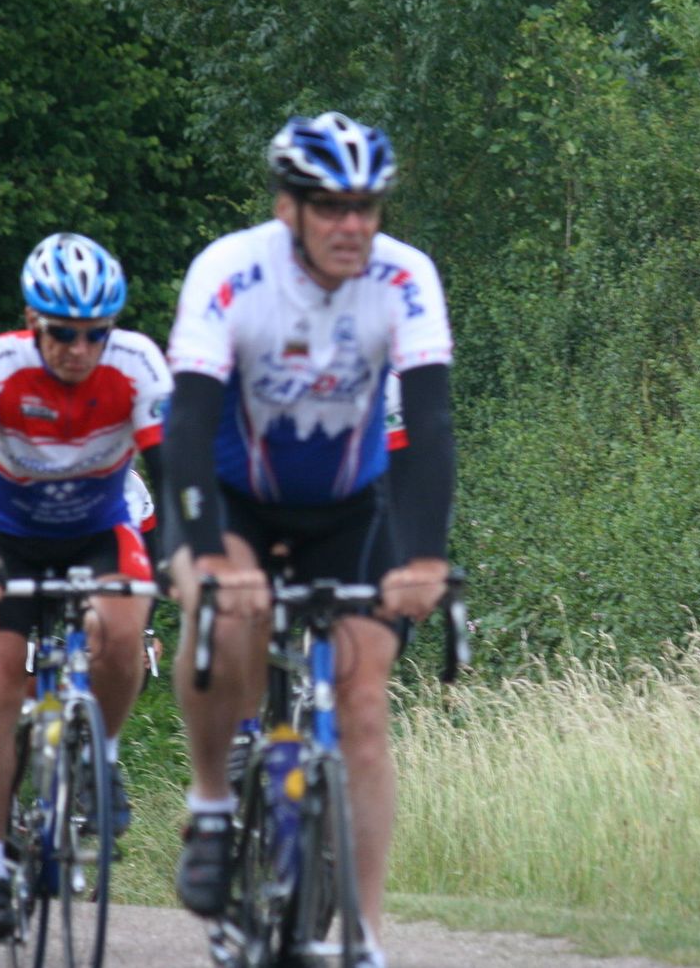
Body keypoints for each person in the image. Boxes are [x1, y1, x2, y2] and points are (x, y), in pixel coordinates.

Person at [164, 111, 456, 968]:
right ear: (286, 207)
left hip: (346, 508)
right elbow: (187, 424)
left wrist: (424, 557)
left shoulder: (405, 276)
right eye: (331, 206)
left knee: (364, 705)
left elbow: (431, 423)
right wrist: (205, 551)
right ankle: (212, 804)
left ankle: (362, 936)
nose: (352, 225)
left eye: (366, 206)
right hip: (236, 500)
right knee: (225, 618)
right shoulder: (230, 271)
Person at [0, 233, 172, 941]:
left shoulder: (137, 363)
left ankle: (102, 756)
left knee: (125, 628)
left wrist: (177, 557)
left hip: (95, 529)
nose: (79, 348)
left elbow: (172, 477)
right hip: (4, 535)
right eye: (63, 332)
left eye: (95, 333)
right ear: (30, 319)